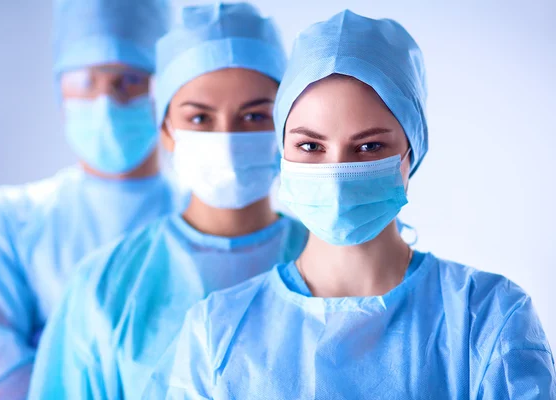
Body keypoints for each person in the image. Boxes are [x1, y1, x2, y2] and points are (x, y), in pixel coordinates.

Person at [149, 10, 556, 399]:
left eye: (368, 146)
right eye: (311, 145)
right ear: (282, 152)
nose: (337, 171)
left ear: (412, 153)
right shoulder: (215, 334)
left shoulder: (486, 319)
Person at [28, 3, 308, 399]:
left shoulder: (333, 263)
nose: (226, 138)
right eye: (199, 118)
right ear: (165, 129)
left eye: (254, 116)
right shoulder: (106, 286)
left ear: (288, 126)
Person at [0, 0, 173, 398]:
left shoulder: (211, 223)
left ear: (166, 91)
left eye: (128, 80)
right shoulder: (1, 223)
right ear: (61, 94)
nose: (107, 103)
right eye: (87, 82)